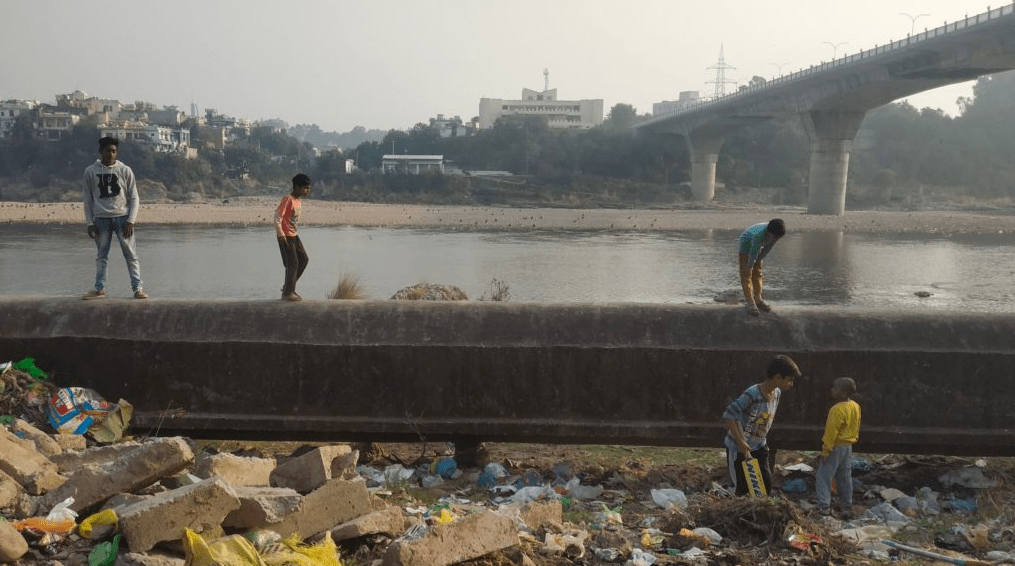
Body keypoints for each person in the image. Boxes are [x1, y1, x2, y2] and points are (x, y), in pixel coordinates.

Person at [723, 354, 801, 496]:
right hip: (738, 448)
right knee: (742, 490)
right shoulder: (752, 394)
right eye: (789, 380)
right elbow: (729, 415)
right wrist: (740, 442)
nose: (791, 384)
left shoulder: (776, 392)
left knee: (764, 486)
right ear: (778, 377)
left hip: (759, 446)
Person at [82, 136, 146, 300]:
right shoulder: (90, 172)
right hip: (101, 219)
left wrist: (131, 220)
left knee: (131, 255)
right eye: (108, 151)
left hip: (122, 219)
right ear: (100, 151)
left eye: (114, 151)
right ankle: (99, 289)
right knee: (102, 256)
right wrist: (90, 223)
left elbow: (134, 197)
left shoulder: (125, 170)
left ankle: (138, 289)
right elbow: (87, 199)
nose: (111, 154)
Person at [815, 377, 861, 516]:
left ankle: (824, 507)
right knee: (845, 477)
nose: (832, 390)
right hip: (848, 447)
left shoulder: (836, 409)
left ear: (843, 393)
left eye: (835, 388)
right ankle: (846, 505)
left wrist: (825, 451)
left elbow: (831, 432)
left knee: (823, 476)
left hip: (835, 447)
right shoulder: (855, 406)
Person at [275, 173, 312, 301]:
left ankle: (288, 287)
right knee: (292, 263)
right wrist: (280, 235)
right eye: (305, 188)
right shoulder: (288, 199)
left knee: (304, 259)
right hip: (286, 236)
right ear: (296, 187)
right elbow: (277, 217)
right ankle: (287, 293)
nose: (308, 191)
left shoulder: (298, 201)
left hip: (294, 236)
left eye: (308, 188)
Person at [738, 218, 785, 316]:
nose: (776, 239)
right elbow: (753, 252)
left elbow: (767, 248)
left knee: (758, 272)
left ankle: (758, 299)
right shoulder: (758, 235)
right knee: (746, 274)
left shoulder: (775, 234)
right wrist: (749, 265)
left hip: (757, 247)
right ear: (770, 232)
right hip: (746, 245)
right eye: (776, 237)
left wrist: (759, 259)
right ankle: (750, 302)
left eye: (778, 237)